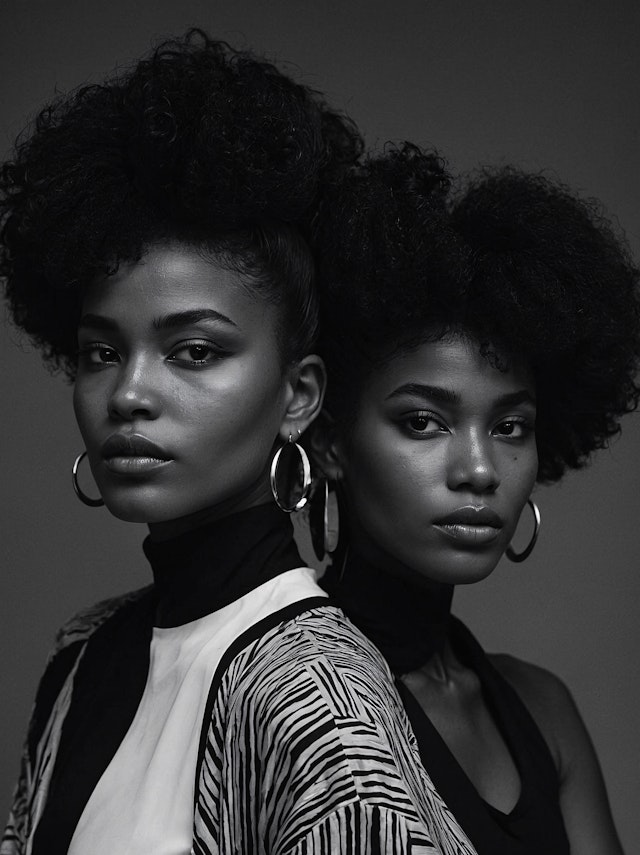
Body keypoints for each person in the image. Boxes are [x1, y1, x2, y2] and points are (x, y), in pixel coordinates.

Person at [0, 36, 479, 855]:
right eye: (101, 352)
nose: (130, 393)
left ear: (299, 396)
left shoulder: (320, 694)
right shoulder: (84, 659)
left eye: (194, 351)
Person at [309, 143, 639, 854]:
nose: (481, 469)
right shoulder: (284, 695)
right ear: (331, 440)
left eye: (510, 425)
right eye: (424, 422)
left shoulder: (540, 708)